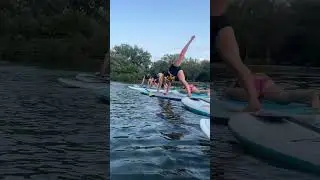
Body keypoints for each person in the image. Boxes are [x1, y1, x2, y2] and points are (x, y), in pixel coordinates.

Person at [211, 0, 261, 111]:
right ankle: (253, 101)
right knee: (235, 64)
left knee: (236, 64)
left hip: (218, 22)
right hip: (219, 23)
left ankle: (254, 101)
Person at [225, 73, 320, 108]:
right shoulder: (239, 81)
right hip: (260, 80)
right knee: (284, 97)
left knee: (284, 97)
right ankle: (307, 97)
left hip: (257, 83)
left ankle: (311, 94)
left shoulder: (233, 89)